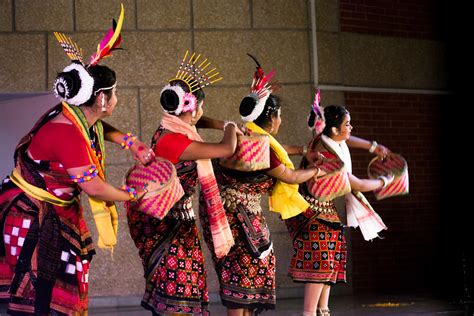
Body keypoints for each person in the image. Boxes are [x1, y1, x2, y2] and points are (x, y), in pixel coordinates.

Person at [0, 5, 157, 315]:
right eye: (114, 93)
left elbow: (97, 127)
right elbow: (96, 189)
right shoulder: (67, 133)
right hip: (32, 218)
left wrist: (131, 142)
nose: (116, 99)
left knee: (52, 293)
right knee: (39, 298)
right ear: (100, 99)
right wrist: (135, 196)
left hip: (48, 212)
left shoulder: (76, 117)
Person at [198, 56, 321, 316]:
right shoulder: (256, 143)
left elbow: (274, 152)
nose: (281, 121)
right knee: (243, 271)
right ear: (272, 116)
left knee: (248, 270)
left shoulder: (251, 135)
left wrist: (301, 150)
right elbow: (288, 175)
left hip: (236, 214)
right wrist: (314, 171)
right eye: (280, 116)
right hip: (237, 217)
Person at [127, 51, 240, 315]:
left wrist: (220, 122)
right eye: (201, 105)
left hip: (178, 222)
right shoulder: (176, 141)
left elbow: (200, 120)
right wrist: (231, 125)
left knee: (182, 290)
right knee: (178, 293)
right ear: (193, 106)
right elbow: (227, 148)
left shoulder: (171, 128)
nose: (202, 112)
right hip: (168, 224)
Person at [285, 102, 394, 316]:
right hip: (312, 214)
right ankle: (309, 313)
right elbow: (358, 185)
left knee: (331, 261)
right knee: (321, 264)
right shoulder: (328, 156)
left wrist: (372, 147)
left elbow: (347, 139)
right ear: (335, 129)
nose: (351, 128)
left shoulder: (326, 138)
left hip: (324, 211)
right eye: (348, 124)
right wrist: (385, 181)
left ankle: (323, 310)